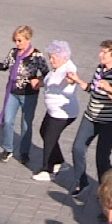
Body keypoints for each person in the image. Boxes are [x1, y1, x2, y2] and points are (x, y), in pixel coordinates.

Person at [0, 25, 49, 163]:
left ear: (28, 39)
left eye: (20, 40)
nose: (17, 43)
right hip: (13, 92)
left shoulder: (37, 56)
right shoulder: (14, 52)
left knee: (26, 125)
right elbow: (4, 66)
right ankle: (8, 149)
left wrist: (38, 80)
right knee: (8, 121)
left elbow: (47, 74)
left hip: (29, 95)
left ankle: (24, 152)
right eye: (16, 40)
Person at [65, 40, 112, 198]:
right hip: (91, 117)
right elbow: (92, 89)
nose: (100, 54)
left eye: (104, 52)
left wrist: (109, 90)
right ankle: (82, 181)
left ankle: (105, 191)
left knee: (102, 156)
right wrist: (77, 80)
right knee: (78, 148)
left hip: (110, 122)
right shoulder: (100, 68)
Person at [32, 40, 79, 181]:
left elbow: (71, 79)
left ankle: (47, 169)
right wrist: (39, 83)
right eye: (50, 57)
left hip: (63, 112)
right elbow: (48, 81)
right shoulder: (56, 68)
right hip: (53, 111)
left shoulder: (68, 68)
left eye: (53, 58)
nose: (51, 61)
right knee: (43, 131)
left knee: (49, 138)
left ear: (63, 57)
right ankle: (59, 161)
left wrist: (71, 80)